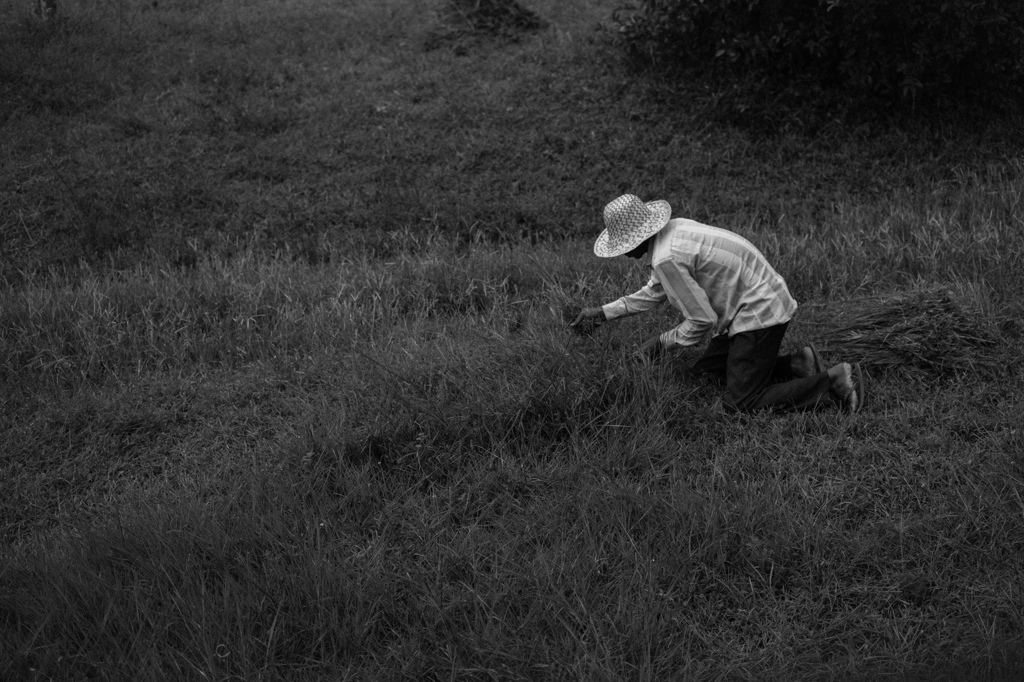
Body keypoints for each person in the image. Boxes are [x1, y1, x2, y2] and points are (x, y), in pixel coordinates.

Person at [569, 194, 864, 414]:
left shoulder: (665, 257)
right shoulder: (673, 230)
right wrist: (603, 313)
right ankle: (798, 363)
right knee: (706, 372)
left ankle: (833, 380)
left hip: (759, 312)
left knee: (741, 404)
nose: (622, 253)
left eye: (622, 246)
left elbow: (701, 321)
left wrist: (661, 343)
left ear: (636, 240)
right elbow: (656, 291)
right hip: (753, 302)